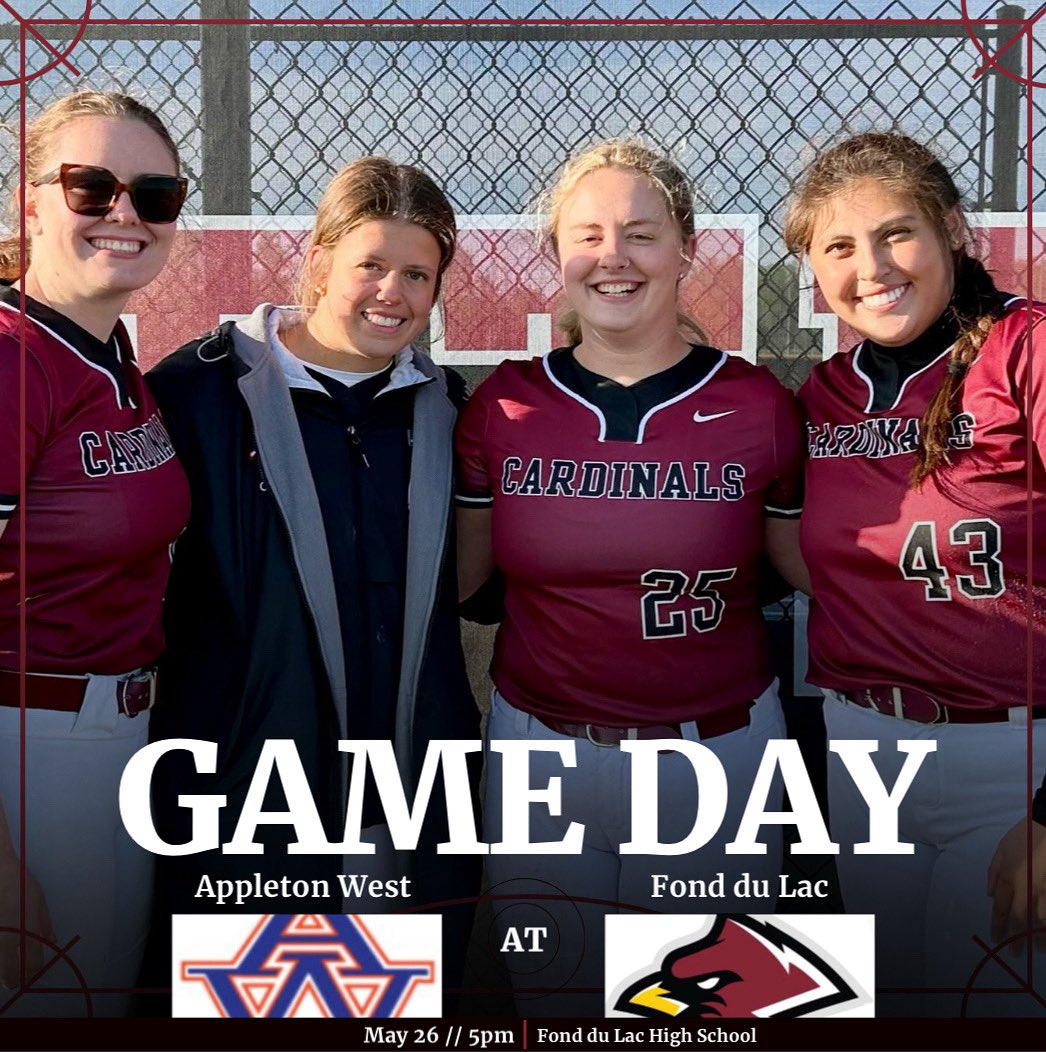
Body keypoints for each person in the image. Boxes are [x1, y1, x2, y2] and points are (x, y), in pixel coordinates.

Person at [455, 140, 806, 1015]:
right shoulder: (502, 404)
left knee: (698, 1012)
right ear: (557, 252)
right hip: (540, 747)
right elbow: (464, 581)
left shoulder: (760, 405)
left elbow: (805, 572)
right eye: (589, 234)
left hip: (714, 752)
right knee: (556, 1004)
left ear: (688, 247)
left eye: (642, 234)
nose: (614, 255)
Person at [145, 157, 479, 998]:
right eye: (370, 264)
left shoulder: (452, 413)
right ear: (321, 256)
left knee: (393, 1006)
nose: (390, 293)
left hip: (401, 809)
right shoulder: (199, 393)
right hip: (247, 808)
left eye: (417, 274)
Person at [784, 130, 1046, 1016]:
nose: (873, 268)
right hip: (864, 750)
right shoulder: (822, 395)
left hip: (1011, 757)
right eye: (840, 247)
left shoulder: (1025, 351)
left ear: (950, 230)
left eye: (897, 233)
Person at [0, 90, 190, 1016]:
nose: (125, 212)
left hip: (111, 740)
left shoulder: (109, 355)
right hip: (26, 747)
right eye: (90, 186)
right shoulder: (10, 358)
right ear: (30, 201)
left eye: (154, 196)